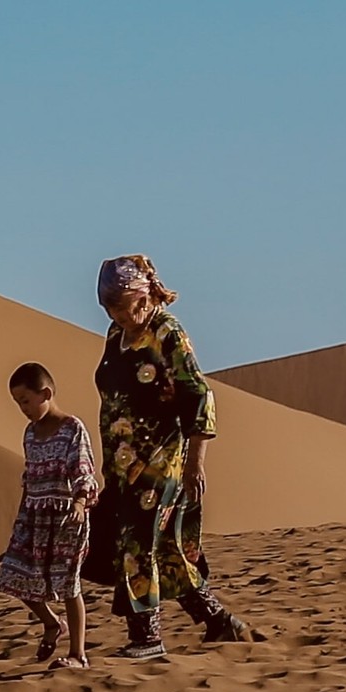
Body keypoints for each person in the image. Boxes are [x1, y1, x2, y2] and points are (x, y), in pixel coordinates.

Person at [90, 254, 251, 659]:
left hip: (162, 462)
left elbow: (198, 394)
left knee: (136, 545)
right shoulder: (116, 335)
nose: (117, 315)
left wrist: (196, 461)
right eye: (110, 308)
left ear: (142, 298)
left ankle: (146, 639)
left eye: (122, 307)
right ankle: (220, 623)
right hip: (124, 467)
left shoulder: (168, 334)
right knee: (164, 550)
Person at [0, 361, 95, 669]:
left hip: (66, 518)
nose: (22, 408)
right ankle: (52, 623)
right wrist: (23, 513)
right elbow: (29, 475)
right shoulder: (30, 433)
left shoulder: (72, 428)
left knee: (69, 586)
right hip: (34, 517)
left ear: (46, 393)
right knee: (14, 577)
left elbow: (83, 471)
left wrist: (79, 504)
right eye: (17, 402)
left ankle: (78, 654)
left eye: (25, 400)